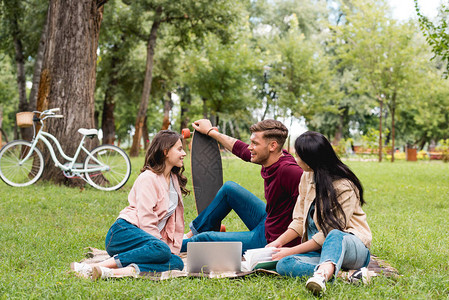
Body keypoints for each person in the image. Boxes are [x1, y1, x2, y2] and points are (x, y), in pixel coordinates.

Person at [71, 130, 188, 280]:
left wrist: (168, 249)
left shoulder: (173, 179)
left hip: (147, 242)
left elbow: (173, 223)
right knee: (162, 250)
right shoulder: (148, 178)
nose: (184, 153)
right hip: (123, 233)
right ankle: (91, 267)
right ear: (165, 152)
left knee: (177, 262)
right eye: (179, 149)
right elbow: (146, 218)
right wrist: (159, 248)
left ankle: (110, 272)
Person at [267, 131, 372, 295]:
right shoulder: (306, 177)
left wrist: (292, 249)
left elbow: (330, 232)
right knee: (284, 264)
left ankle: (322, 276)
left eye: (298, 155)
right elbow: (299, 220)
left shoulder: (345, 186)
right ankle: (347, 276)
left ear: (310, 160)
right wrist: (277, 243)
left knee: (335, 235)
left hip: (352, 248)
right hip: (321, 251)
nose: (295, 158)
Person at [182, 119, 303, 253]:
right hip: (269, 220)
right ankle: (190, 234)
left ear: (272, 146)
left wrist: (292, 247)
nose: (250, 147)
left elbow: (309, 211)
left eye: (255, 143)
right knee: (229, 189)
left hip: (271, 239)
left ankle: (170, 248)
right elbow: (240, 149)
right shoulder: (277, 155)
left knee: (204, 239)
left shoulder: (289, 171)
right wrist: (210, 132)